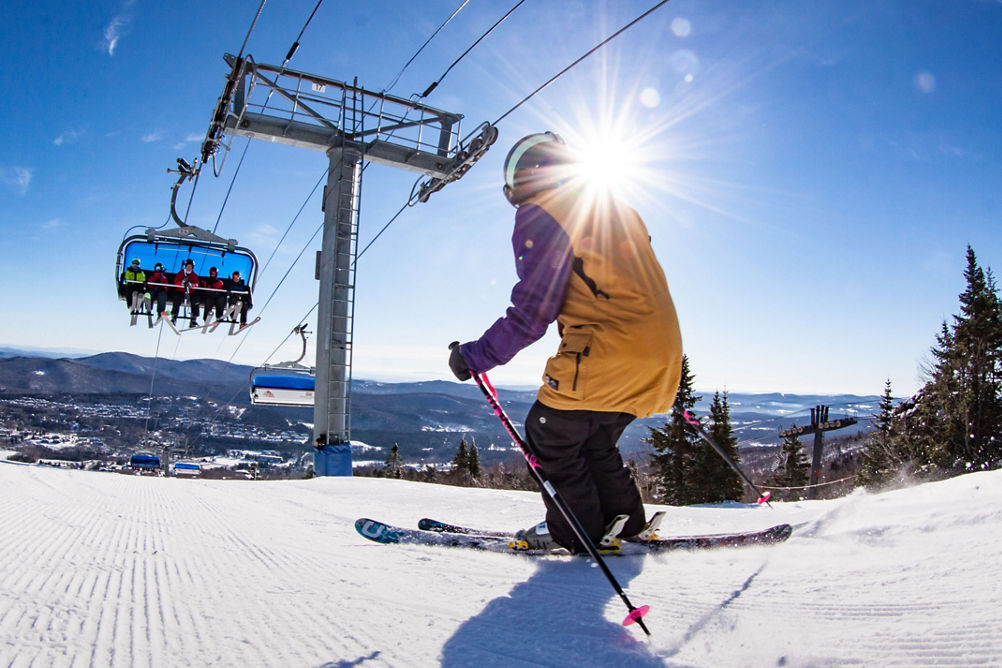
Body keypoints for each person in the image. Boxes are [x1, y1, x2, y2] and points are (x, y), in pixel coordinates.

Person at [448, 132, 683, 554]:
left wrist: (473, 356)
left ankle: (578, 533)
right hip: (661, 358)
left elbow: (534, 309)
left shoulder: (542, 212)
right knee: (595, 441)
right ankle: (625, 524)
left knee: (548, 432)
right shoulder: (617, 209)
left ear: (520, 182)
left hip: (610, 351)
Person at [171, 259, 200, 327]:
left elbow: (196, 284)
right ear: (185, 266)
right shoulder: (181, 273)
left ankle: (193, 319)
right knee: (176, 299)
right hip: (181, 291)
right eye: (188, 266)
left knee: (195, 300)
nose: (189, 267)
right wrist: (181, 283)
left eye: (190, 266)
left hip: (190, 292)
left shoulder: (194, 275)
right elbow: (176, 282)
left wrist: (191, 285)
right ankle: (174, 316)